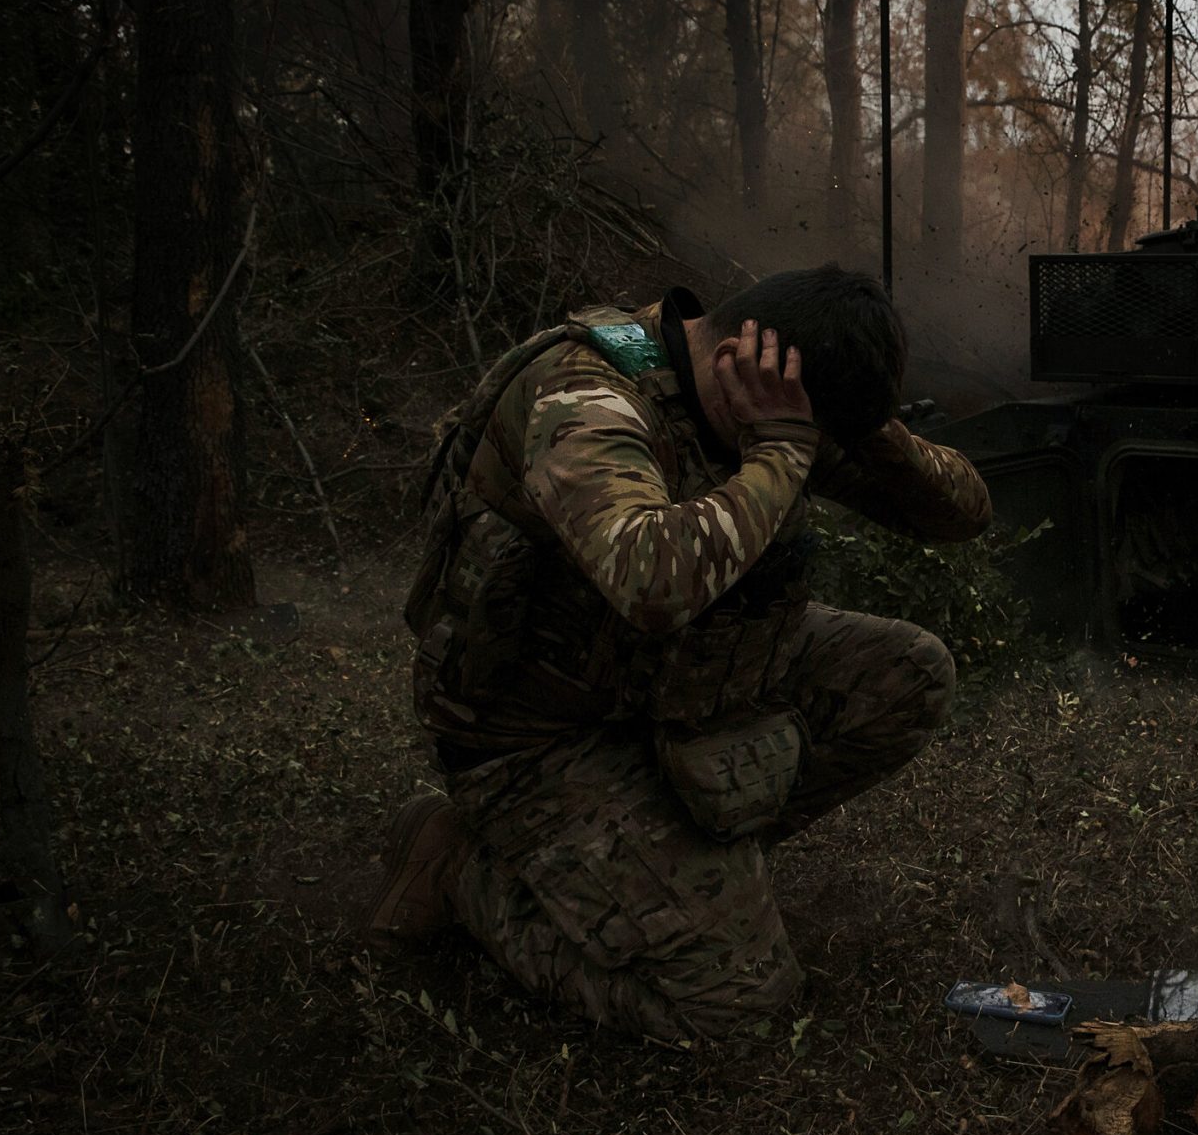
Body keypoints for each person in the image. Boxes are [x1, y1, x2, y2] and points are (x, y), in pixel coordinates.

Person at [364, 266, 992, 1039]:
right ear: (737, 360)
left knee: (909, 674)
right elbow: (649, 579)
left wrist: (863, 427)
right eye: (802, 430)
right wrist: (780, 458)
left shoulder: (771, 401)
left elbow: (962, 513)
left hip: (673, 689)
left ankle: (683, 868)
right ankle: (459, 863)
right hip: (536, 735)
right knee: (731, 1006)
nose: (806, 450)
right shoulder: (585, 398)